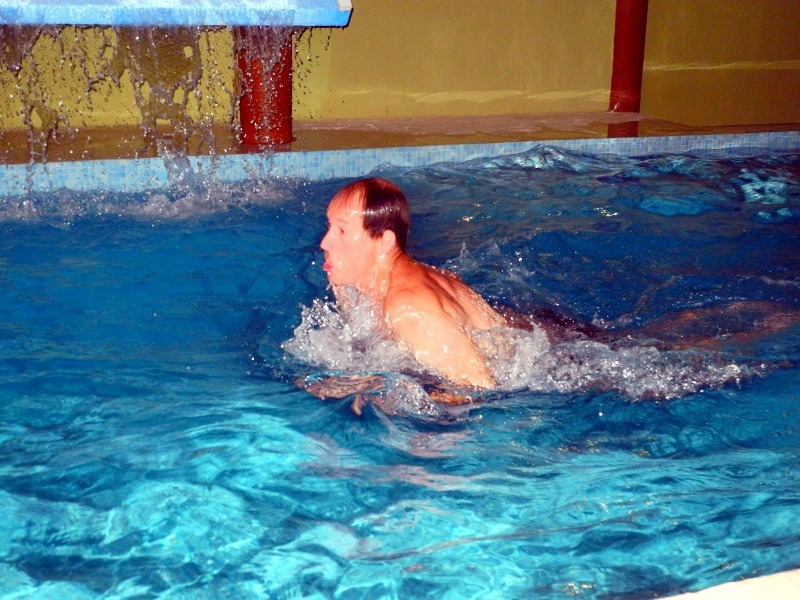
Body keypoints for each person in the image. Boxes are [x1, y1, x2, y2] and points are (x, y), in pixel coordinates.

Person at [319, 177, 507, 394]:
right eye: (329, 226)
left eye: (342, 231)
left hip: (539, 355)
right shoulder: (348, 279)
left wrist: (370, 390)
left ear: (384, 242)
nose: (325, 242)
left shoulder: (410, 307)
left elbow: (478, 390)